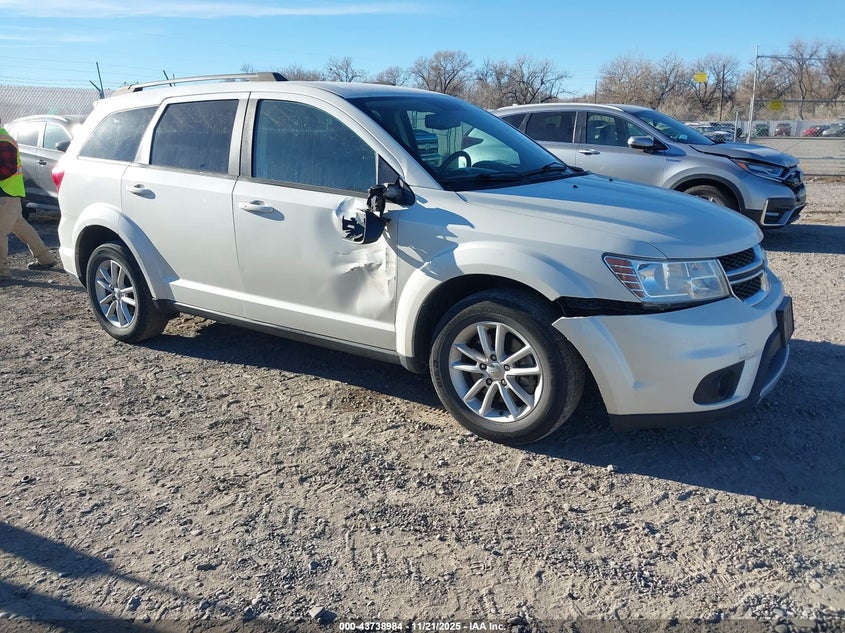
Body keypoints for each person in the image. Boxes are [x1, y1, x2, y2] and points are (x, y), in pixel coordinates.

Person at [0, 118, 56, 284]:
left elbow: (7, 169)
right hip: (9, 193)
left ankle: (2, 272)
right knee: (22, 227)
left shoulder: (3, 141)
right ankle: (45, 259)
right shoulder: (4, 139)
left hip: (6, 194)